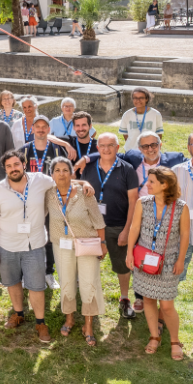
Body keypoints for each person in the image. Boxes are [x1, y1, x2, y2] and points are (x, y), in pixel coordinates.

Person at [0, 150, 95, 343]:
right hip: (6, 245)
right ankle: (18, 313)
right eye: (9, 166)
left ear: (24, 164)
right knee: (12, 282)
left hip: (34, 244)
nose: (13, 169)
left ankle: (40, 322)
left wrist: (84, 183)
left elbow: (63, 180)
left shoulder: (41, 180)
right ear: (5, 169)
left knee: (36, 285)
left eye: (16, 164)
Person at [126, 166, 189, 360]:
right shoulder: (143, 203)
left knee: (167, 305)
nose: (147, 184)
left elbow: (185, 235)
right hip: (144, 261)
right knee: (148, 300)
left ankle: (175, 341)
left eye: (152, 181)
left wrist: (180, 260)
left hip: (169, 261)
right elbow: (135, 228)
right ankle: (154, 336)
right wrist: (129, 253)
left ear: (165, 184)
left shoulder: (181, 207)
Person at [47, 156, 107, 346]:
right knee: (66, 281)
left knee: (89, 283)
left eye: (66, 170)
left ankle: (88, 325)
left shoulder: (84, 193)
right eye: (57, 170)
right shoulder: (48, 193)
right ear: (52, 174)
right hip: (61, 244)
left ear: (72, 172)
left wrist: (103, 243)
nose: (62, 174)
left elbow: (98, 220)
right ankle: (69, 318)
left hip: (87, 243)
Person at [80, 133, 139, 318]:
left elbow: (133, 201)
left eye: (110, 145)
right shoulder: (88, 167)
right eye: (102, 145)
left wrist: (127, 230)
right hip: (90, 226)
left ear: (117, 147)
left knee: (122, 266)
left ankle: (124, 298)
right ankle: (90, 300)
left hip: (117, 226)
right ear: (97, 148)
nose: (106, 149)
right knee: (89, 264)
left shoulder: (127, 169)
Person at [22, 114, 74, 290]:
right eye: (38, 127)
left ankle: (48, 272)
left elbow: (66, 174)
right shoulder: (24, 150)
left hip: (53, 200)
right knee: (28, 235)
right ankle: (26, 272)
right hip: (31, 201)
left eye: (44, 126)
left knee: (50, 237)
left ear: (48, 130)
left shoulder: (58, 151)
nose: (41, 129)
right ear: (33, 129)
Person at [173, 131, 193, 287]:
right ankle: (167, 311)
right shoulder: (176, 171)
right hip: (181, 237)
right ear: (189, 147)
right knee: (172, 280)